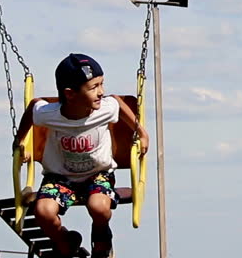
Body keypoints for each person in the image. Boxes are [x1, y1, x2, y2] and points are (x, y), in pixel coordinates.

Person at [13, 53, 150, 258]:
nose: (101, 92)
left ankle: (102, 235)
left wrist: (141, 132)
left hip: (98, 175)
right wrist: (20, 141)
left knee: (99, 206)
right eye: (93, 87)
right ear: (70, 94)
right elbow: (33, 107)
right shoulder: (50, 114)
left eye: (101, 84)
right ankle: (64, 240)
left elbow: (118, 103)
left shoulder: (105, 108)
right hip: (59, 178)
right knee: (43, 212)